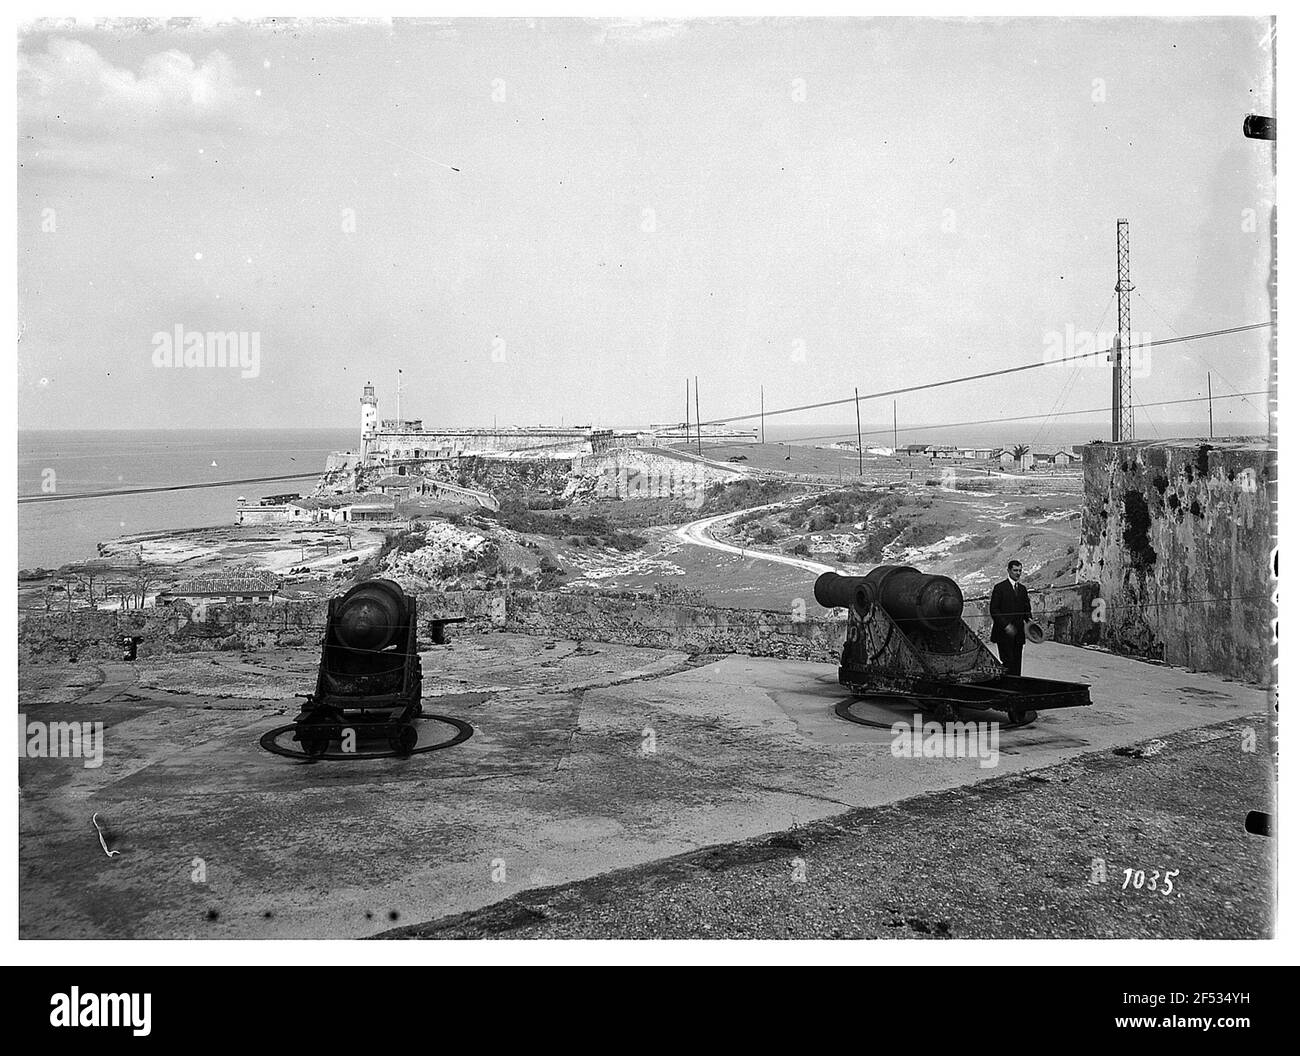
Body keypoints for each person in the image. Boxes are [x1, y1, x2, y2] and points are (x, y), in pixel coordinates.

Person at [989, 560, 1031, 675]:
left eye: (1020, 571)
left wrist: (1029, 620)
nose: (1018, 573)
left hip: (1019, 633)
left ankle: (1016, 686)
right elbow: (994, 610)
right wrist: (1006, 625)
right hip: (1003, 633)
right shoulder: (999, 588)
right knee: (1008, 661)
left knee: (1017, 662)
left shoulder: (1022, 589)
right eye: (1015, 570)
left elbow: (1026, 609)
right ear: (1008, 571)